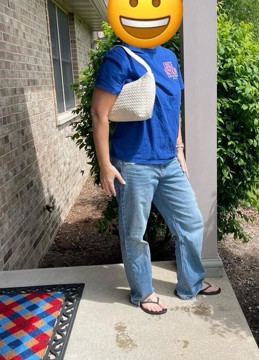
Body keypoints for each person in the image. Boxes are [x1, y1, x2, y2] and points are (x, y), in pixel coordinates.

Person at [91, 43, 221, 315]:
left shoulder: (168, 57)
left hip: (169, 162)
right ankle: (143, 292)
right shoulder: (120, 56)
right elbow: (99, 112)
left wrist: (179, 148)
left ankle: (191, 283)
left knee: (191, 222)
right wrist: (105, 164)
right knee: (135, 233)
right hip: (134, 162)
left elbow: (174, 108)